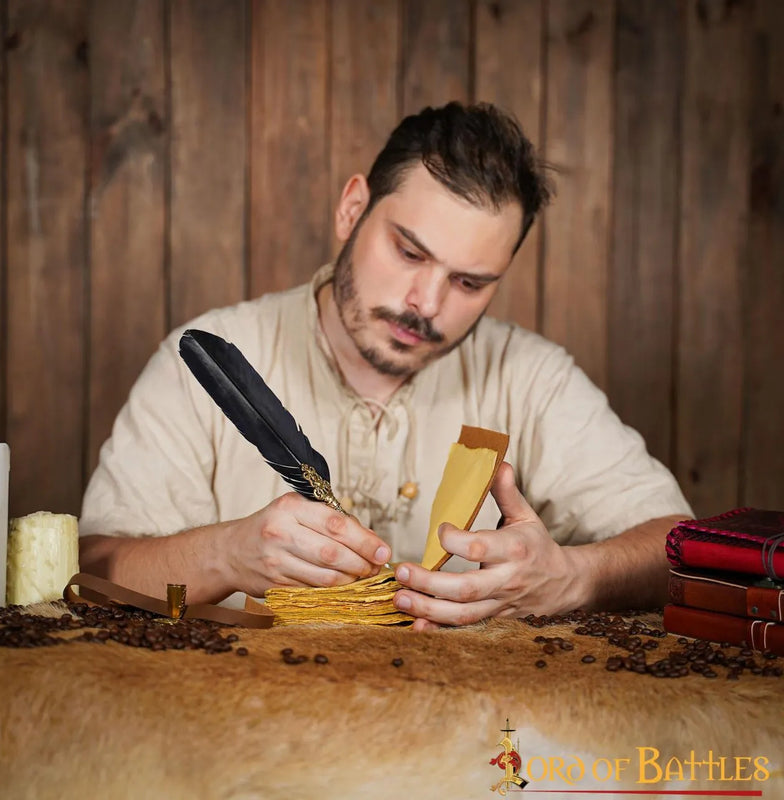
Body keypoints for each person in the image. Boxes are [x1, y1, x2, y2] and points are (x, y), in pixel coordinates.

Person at [79, 102, 692, 630]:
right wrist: (225, 556)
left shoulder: (531, 376)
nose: (426, 304)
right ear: (352, 209)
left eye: (470, 282)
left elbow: (677, 548)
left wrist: (572, 578)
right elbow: (94, 564)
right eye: (408, 251)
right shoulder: (207, 361)